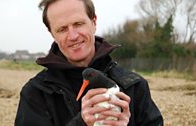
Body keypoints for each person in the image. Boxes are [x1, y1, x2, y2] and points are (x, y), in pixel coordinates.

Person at [15, 0, 163, 126]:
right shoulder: (35, 93)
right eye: (62, 29)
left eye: (78, 24)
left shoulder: (134, 86)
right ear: (52, 33)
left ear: (94, 22)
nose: (73, 36)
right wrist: (81, 123)